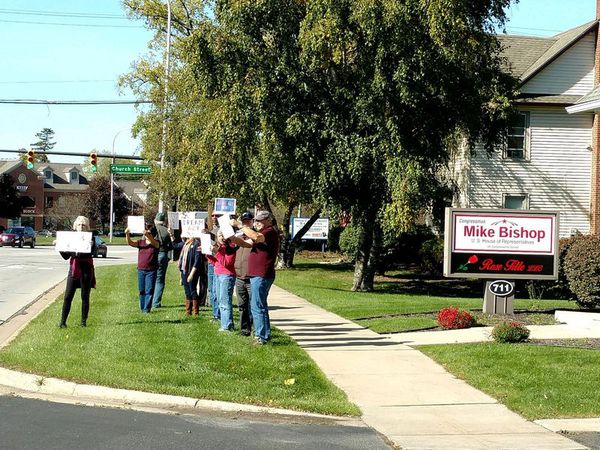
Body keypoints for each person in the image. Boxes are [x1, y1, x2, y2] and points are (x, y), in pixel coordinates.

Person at [235, 210, 280, 345]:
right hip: (257, 275)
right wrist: (230, 236)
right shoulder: (262, 233)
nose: (257, 223)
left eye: (260, 220)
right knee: (260, 305)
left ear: (268, 220)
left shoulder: (269, 232)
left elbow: (256, 237)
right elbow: (246, 243)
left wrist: (240, 225)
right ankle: (265, 334)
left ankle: (261, 337)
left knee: (256, 306)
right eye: (256, 220)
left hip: (262, 274)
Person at [207, 231, 251, 332]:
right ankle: (225, 323)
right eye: (219, 235)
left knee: (225, 301)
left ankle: (227, 325)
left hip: (226, 275)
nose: (221, 237)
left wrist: (216, 252)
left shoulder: (230, 247)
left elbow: (227, 263)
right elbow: (216, 262)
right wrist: (208, 254)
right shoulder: (220, 247)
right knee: (219, 300)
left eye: (223, 235)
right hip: (218, 274)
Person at [58, 216, 96, 328]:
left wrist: (90, 245)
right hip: (74, 268)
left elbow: (92, 251)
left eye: (83, 225)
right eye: (79, 225)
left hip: (86, 269)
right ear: (75, 226)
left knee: (85, 296)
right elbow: (66, 256)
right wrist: (60, 246)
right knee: (67, 296)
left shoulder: (91, 238)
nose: (81, 227)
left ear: (87, 227)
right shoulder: (71, 237)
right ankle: (62, 322)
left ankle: (83, 322)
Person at [126, 223, 160, 313]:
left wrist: (148, 235)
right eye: (145, 233)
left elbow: (155, 243)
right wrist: (127, 234)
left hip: (151, 271)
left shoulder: (156, 243)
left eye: (149, 233)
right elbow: (130, 243)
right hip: (141, 270)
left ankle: (146, 309)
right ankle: (142, 308)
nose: (146, 235)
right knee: (142, 290)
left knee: (149, 290)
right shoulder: (141, 243)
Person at [234, 212, 255, 336]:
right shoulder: (238, 236)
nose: (246, 222)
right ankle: (244, 329)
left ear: (252, 221)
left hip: (251, 277)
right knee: (242, 305)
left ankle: (255, 329)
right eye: (244, 220)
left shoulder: (255, 236)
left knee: (253, 305)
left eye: (248, 220)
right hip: (239, 276)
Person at [178, 236, 205, 316]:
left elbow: (197, 261)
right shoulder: (186, 244)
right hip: (184, 271)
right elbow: (175, 246)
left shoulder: (196, 244)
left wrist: (192, 274)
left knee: (192, 290)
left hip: (192, 271)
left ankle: (196, 312)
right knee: (187, 292)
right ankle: (188, 311)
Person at [152, 212, 173, 309]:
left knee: (151, 277)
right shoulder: (166, 231)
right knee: (160, 279)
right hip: (163, 254)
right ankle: (156, 302)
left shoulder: (151, 230)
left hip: (152, 254)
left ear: (155, 220)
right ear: (164, 221)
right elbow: (171, 246)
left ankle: (149, 299)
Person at [207, 213, 221, 321]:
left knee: (218, 291)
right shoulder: (209, 229)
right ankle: (215, 313)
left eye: (217, 215)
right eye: (213, 216)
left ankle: (219, 314)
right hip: (210, 262)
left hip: (219, 262)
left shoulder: (225, 230)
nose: (214, 217)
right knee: (212, 289)